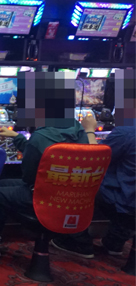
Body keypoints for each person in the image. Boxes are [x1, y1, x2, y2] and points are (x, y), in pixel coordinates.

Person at [0, 71, 97, 258]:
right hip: (71, 197)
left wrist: (28, 146)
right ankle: (80, 242)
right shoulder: (79, 129)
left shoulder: (41, 136)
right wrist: (18, 138)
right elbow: (52, 156)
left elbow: (29, 176)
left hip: (44, 198)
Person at [51, 70, 136, 259]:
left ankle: (79, 242)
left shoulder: (127, 131)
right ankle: (115, 240)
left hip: (125, 204)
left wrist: (89, 130)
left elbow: (95, 160)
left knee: (77, 180)